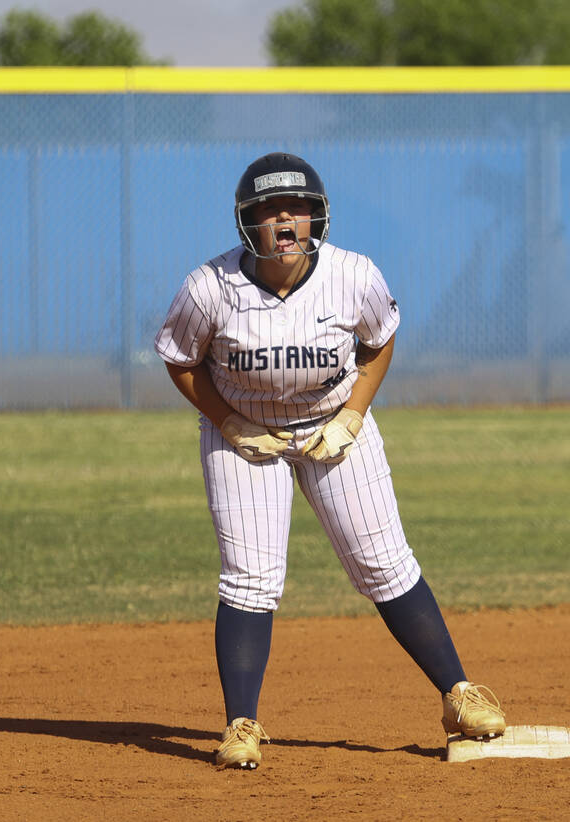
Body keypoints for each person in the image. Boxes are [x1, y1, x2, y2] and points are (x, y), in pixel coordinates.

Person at [154, 152, 507, 770]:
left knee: (384, 563)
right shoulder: (209, 287)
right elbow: (181, 362)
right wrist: (229, 421)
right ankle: (242, 724)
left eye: (297, 208)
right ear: (246, 223)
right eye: (268, 209)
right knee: (251, 576)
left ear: (319, 218)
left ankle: (458, 694)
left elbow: (378, 341)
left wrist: (353, 415)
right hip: (244, 432)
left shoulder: (354, 276)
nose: (284, 219)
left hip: (331, 423)